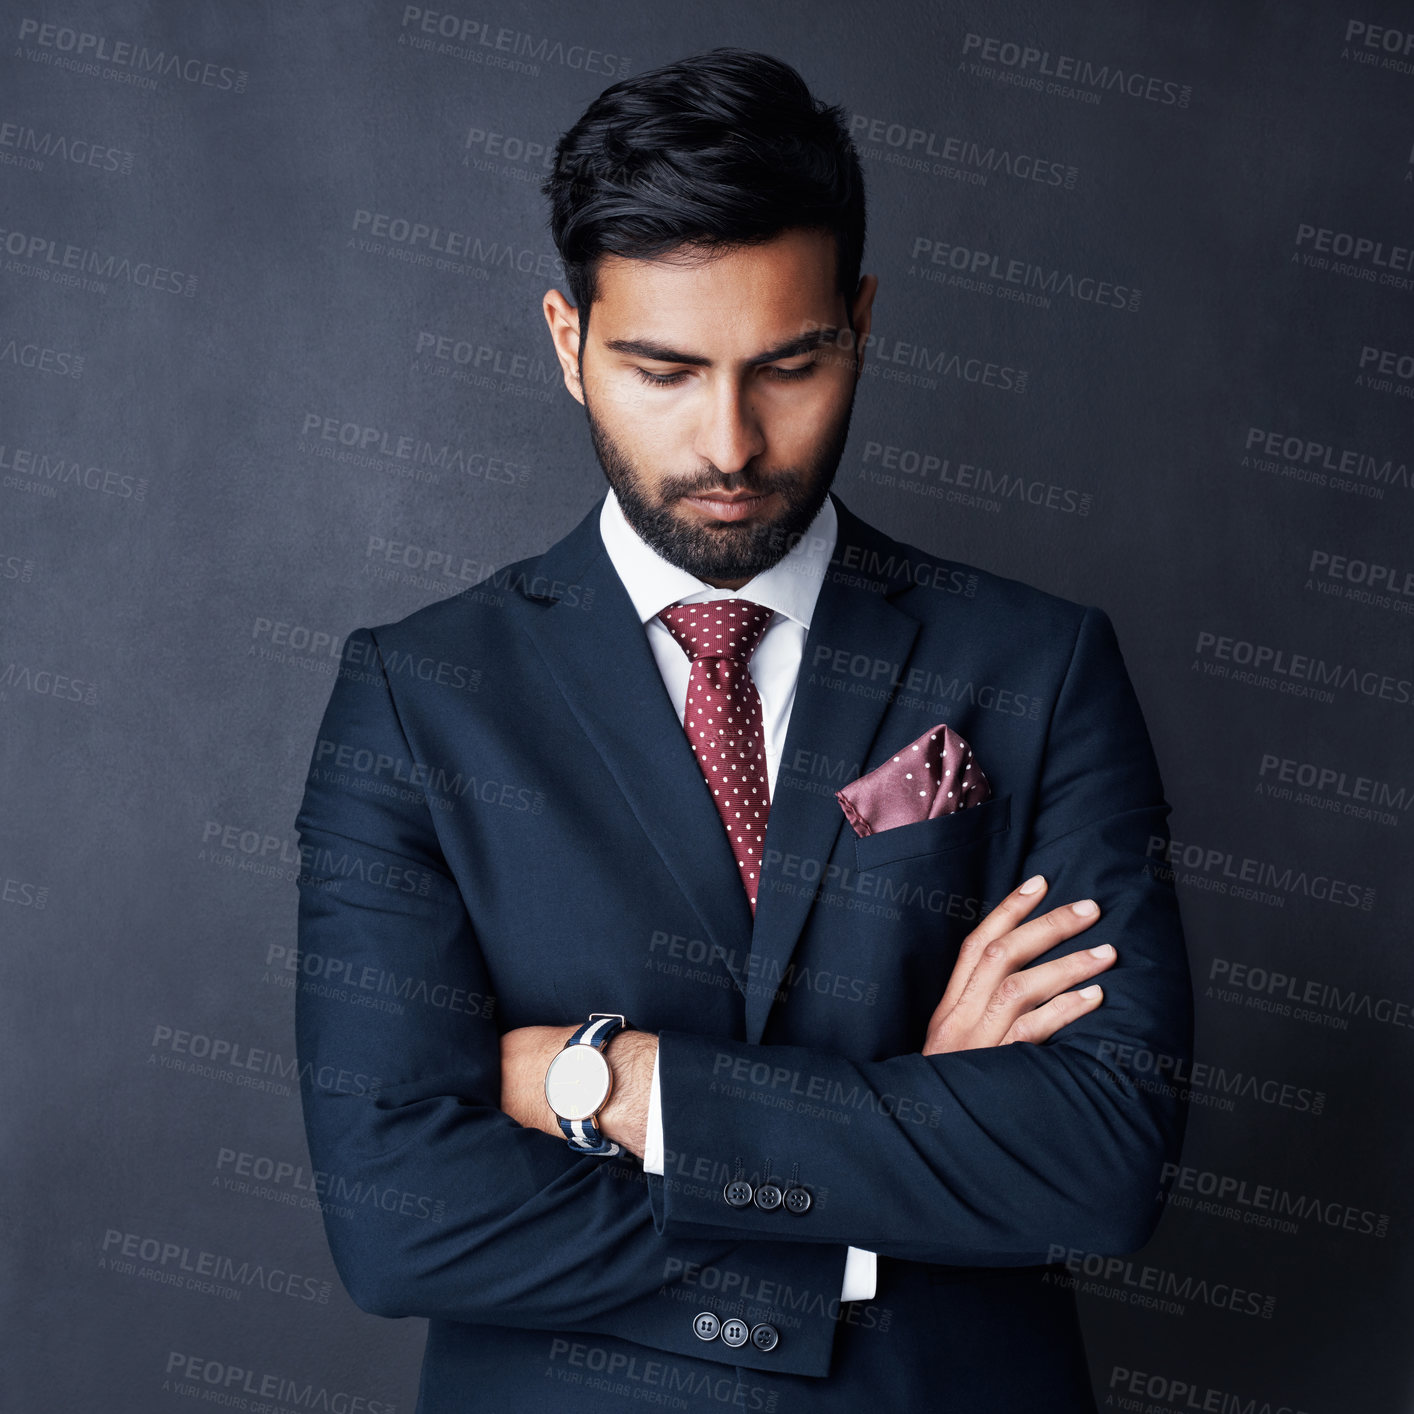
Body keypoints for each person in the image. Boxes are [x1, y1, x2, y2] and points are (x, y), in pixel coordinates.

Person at [293, 47, 1194, 1414]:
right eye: (662, 369)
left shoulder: (1036, 664)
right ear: (565, 341)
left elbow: (1098, 1154)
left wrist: (620, 1086)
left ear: (860, 323)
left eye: (788, 365)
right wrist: (897, 1141)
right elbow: (398, 1214)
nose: (728, 442)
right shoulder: (416, 696)